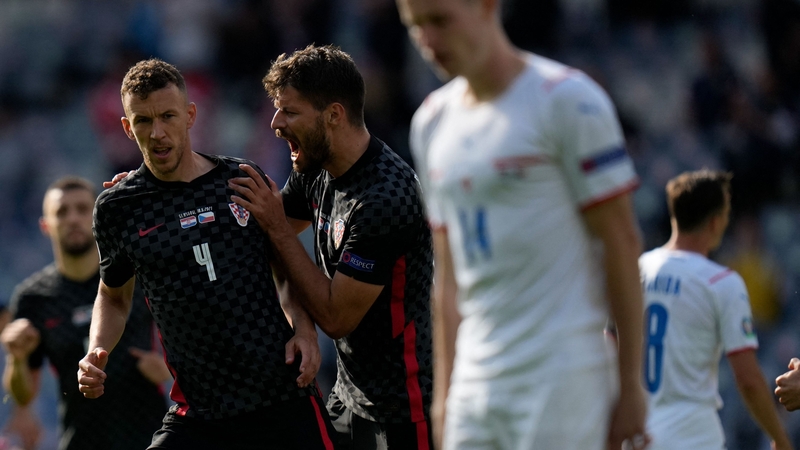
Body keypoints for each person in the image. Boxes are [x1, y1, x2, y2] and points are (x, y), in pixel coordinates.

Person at [395, 0, 649, 449]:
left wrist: (631, 386)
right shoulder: (431, 123)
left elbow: (622, 243)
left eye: (440, 20)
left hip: (563, 377)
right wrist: (445, 397)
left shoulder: (566, 99)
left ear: (487, 6)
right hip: (475, 386)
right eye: (416, 28)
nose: (429, 42)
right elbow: (448, 281)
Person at [76, 58, 336, 450]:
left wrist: (303, 330)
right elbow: (112, 295)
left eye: (168, 116)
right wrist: (97, 349)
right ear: (127, 128)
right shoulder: (118, 208)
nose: (158, 133)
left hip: (280, 396)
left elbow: (285, 263)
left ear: (190, 115)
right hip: (199, 413)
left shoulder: (242, 179)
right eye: (144, 121)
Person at [228, 44, 433, 449]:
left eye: (290, 111)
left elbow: (337, 317)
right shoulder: (314, 166)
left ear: (334, 115)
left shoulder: (384, 198)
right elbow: (265, 236)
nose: (275, 122)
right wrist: (149, 189)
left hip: (403, 412)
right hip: (346, 396)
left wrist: (281, 232)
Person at [1, 176, 170, 450]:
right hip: (81, 440)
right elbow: (23, 395)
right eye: (62, 212)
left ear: (97, 217)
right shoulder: (33, 298)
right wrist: (16, 358)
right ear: (46, 225)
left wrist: (166, 369)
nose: (73, 218)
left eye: (82, 209)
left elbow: (186, 332)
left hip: (150, 437)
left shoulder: (133, 278)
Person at [639, 170, 793, 449]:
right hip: (692, 435)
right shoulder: (722, 282)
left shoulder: (640, 268)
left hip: (639, 431)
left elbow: (610, 345)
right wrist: (779, 438)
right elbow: (747, 379)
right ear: (715, 221)